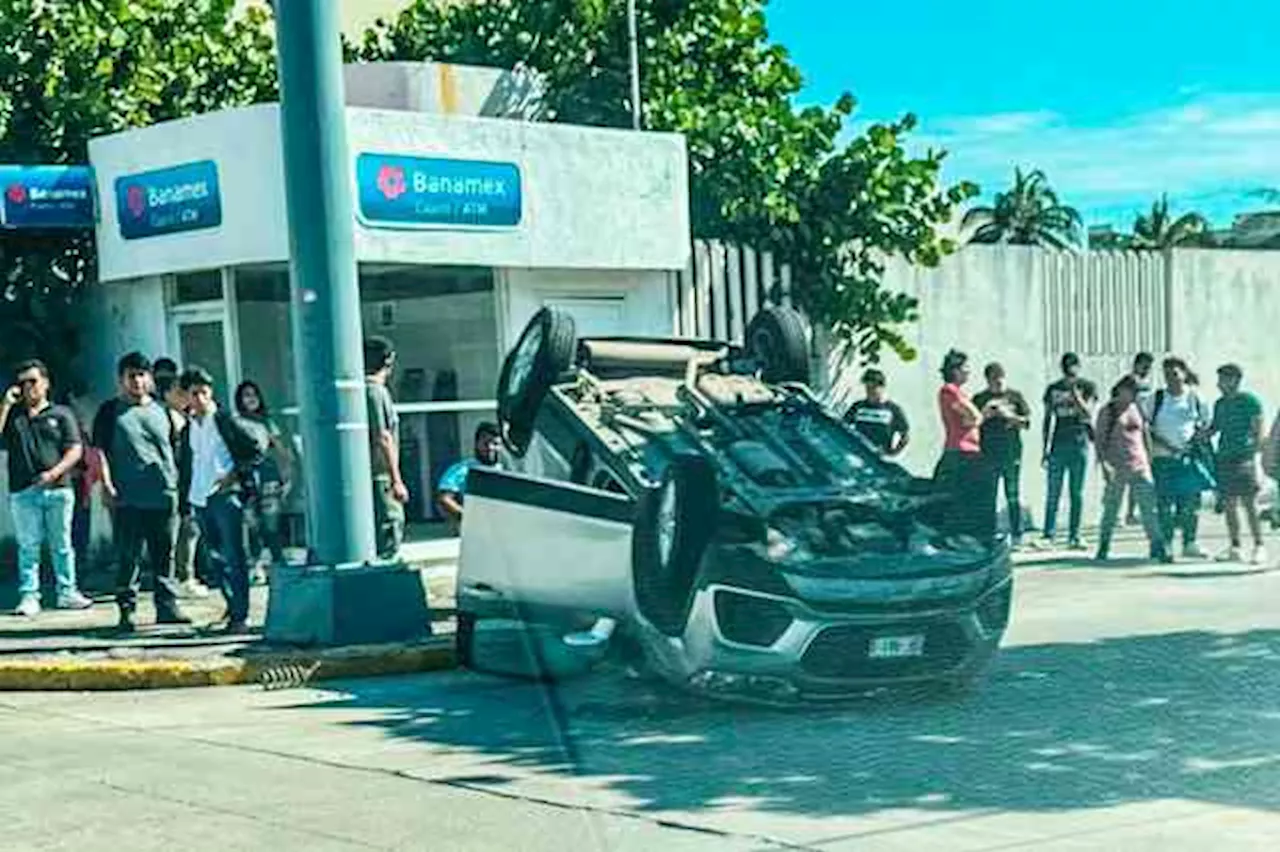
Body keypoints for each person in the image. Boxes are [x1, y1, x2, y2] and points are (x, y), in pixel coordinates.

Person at [92, 352, 190, 631]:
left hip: (162, 493)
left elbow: (176, 451)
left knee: (164, 553)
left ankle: (167, 606)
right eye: (131, 375)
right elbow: (99, 451)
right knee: (128, 555)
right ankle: (127, 609)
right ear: (121, 379)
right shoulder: (110, 411)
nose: (137, 380)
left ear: (149, 378)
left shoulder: (163, 410)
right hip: (126, 496)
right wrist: (107, 485)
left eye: (141, 375)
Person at [178, 367, 266, 634]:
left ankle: (241, 615)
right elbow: (187, 464)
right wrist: (186, 501)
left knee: (235, 555)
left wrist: (234, 475)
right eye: (194, 393)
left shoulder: (225, 419)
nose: (200, 399)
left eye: (204, 392)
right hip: (201, 496)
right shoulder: (189, 427)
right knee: (216, 558)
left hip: (226, 496)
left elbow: (254, 450)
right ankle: (231, 606)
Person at [1, 360, 93, 616]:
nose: (28, 387)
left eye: (33, 381)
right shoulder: (14, 417)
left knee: (61, 542)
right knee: (28, 545)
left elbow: (75, 449)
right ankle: (29, 595)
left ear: (45, 383)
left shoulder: (61, 414)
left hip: (58, 488)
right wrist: (6, 404)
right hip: (23, 490)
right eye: (22, 383)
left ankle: (67, 590)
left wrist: (54, 472)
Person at [1143, 357, 1212, 560]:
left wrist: (1191, 444)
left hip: (1189, 459)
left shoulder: (1195, 397)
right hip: (1163, 460)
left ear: (1183, 373)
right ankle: (1166, 544)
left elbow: (1205, 426)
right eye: (1166, 375)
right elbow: (1146, 428)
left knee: (1190, 504)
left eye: (1174, 373)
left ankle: (1190, 543)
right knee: (1165, 504)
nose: (1171, 378)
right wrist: (1168, 446)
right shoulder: (1155, 399)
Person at [1094, 376, 1167, 562]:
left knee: (1149, 509)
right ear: (1122, 389)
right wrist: (1104, 465)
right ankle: (1103, 545)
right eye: (1133, 391)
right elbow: (1099, 440)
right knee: (1111, 509)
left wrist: (1150, 461)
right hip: (1117, 467)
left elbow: (1145, 435)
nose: (1135, 395)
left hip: (1139, 465)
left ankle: (1157, 545)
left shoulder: (1137, 409)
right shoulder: (1108, 412)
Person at [156, 373, 211, 599]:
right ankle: (183, 576)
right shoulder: (167, 418)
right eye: (179, 392)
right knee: (186, 531)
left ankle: (190, 574)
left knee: (193, 530)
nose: (185, 397)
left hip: (196, 481)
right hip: (179, 481)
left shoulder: (188, 418)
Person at [933, 349, 995, 543]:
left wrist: (977, 417)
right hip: (960, 452)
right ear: (955, 370)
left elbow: (971, 420)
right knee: (957, 500)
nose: (969, 371)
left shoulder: (960, 392)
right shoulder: (949, 391)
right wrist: (980, 415)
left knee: (971, 501)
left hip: (970, 451)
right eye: (965, 367)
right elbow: (973, 417)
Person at [1208, 364, 1267, 564]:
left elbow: (1258, 429)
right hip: (1224, 457)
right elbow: (1214, 428)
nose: (1220, 384)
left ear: (1235, 379)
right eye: (1219, 379)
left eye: (1224, 379)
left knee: (1250, 504)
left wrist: (1255, 457)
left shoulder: (1250, 401)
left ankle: (1259, 546)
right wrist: (1198, 436)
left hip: (1244, 458)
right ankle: (1235, 546)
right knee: (1229, 504)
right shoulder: (1219, 404)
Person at [234, 380, 293, 576]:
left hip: (268, 477)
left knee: (271, 523)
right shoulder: (235, 422)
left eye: (254, 395)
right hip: (246, 478)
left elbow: (283, 451)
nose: (250, 399)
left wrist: (287, 476)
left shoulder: (267, 422)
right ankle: (255, 566)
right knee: (252, 523)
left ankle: (278, 563)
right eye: (246, 395)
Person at [1040, 352, 1098, 550]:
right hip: (1058, 444)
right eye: (1067, 366)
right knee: (1053, 491)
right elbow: (1047, 418)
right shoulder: (1053, 389)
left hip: (1079, 442)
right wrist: (1044, 448)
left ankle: (1074, 535)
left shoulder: (1087, 387)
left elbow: (1088, 413)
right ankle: (1048, 534)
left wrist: (1076, 395)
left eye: (1073, 365)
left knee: (1076, 492)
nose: (1070, 369)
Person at [972, 362, 1032, 548]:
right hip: (988, 453)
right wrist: (986, 414)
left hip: (1011, 451)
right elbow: (971, 424)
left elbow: (1027, 422)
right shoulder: (980, 398)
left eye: (1000, 376)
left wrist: (1008, 416)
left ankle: (1016, 534)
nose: (998, 381)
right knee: (988, 495)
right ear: (987, 379)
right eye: (993, 378)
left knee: (1012, 493)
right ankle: (988, 534)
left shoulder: (1014, 396)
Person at [365, 336, 408, 560]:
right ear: (389, 360)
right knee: (391, 523)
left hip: (373, 475)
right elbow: (384, 437)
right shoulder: (375, 392)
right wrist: (396, 479)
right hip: (380, 475)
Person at [438, 422, 502, 532]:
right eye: (486, 443)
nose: (490, 448)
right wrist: (466, 516)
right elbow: (445, 499)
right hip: (474, 531)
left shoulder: (509, 469)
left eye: (495, 444)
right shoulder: (461, 470)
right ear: (477, 444)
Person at [843, 369, 910, 456]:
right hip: (857, 455)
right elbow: (843, 427)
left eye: (873, 387)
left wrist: (892, 453)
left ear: (882, 387)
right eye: (867, 387)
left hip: (878, 459)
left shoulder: (893, 410)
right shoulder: (857, 407)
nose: (870, 391)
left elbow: (905, 436)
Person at [1124, 352, 1157, 525]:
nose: (1147, 369)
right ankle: (1129, 512)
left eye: (1149, 366)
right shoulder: (1130, 381)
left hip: (1146, 428)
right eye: (1144, 365)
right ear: (1136, 364)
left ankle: (1135, 511)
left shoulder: (1147, 383)